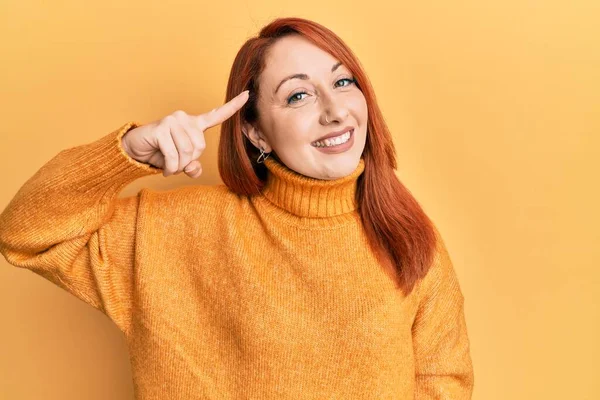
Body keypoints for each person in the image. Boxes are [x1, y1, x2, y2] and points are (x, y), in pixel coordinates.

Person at [0, 16, 474, 399]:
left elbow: (443, 380)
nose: (335, 111)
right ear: (255, 131)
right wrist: (129, 151)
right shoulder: (176, 231)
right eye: (298, 95)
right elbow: (28, 231)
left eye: (344, 81)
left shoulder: (406, 233)